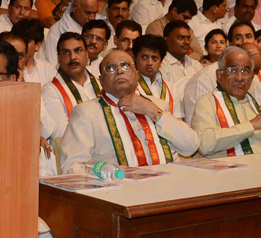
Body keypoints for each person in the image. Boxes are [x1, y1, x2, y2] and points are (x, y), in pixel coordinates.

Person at [58, 50, 199, 172]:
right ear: (101, 80)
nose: (119, 71)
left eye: (125, 65)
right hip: (119, 192)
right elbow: (71, 166)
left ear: (137, 75)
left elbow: (191, 146)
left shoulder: (156, 105)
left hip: (169, 188)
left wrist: (153, 112)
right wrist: (110, 171)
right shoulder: (86, 112)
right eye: (111, 68)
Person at [191, 46, 261, 156]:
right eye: (232, 70)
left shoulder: (255, 106)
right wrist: (251, 125)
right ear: (219, 75)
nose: (239, 77)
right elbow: (204, 145)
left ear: (252, 78)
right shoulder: (207, 102)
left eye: (245, 71)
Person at [182, 20, 260, 121]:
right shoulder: (204, 79)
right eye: (238, 38)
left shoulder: (255, 77)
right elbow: (196, 129)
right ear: (230, 44)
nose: (244, 41)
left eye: (248, 36)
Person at [42, 32, 101, 142]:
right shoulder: (51, 90)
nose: (73, 57)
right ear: (59, 58)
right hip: (76, 154)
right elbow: (61, 133)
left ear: (87, 54)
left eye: (78, 50)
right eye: (66, 53)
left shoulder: (101, 84)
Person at [41, 0, 100, 65]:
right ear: (75, 7)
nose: (92, 17)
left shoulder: (98, 28)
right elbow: (53, 66)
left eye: (95, 13)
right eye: (88, 13)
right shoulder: (57, 31)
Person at [132, 34, 182, 119]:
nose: (149, 63)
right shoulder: (129, 86)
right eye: (144, 57)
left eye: (154, 58)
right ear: (135, 58)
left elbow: (179, 121)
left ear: (161, 61)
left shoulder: (171, 89)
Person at [160, 19, 201, 84]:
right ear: (166, 40)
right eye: (181, 38)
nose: (186, 42)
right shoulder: (161, 65)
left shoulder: (196, 65)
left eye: (188, 38)